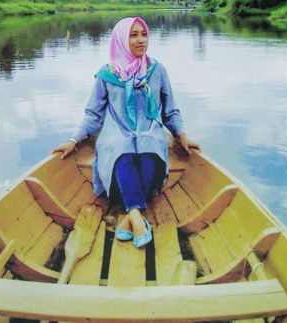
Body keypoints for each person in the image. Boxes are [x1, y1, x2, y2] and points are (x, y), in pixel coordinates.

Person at [52, 16, 200, 248]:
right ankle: (137, 216)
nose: (141, 40)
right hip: (116, 134)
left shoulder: (157, 70)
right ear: (120, 40)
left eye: (144, 34)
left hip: (149, 132)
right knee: (123, 153)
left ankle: (130, 217)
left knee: (150, 152)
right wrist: (74, 140)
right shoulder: (107, 76)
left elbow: (170, 111)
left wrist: (181, 135)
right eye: (133, 35)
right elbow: (93, 115)